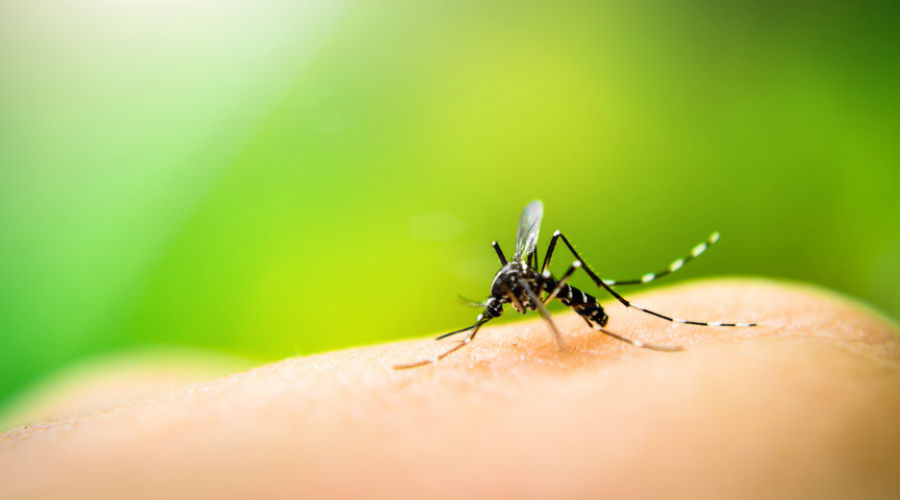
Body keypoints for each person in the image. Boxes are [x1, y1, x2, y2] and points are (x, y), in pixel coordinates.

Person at [1, 279, 897, 498]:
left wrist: (579, 319)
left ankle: (622, 315)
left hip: (599, 313)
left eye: (502, 303)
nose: (501, 307)